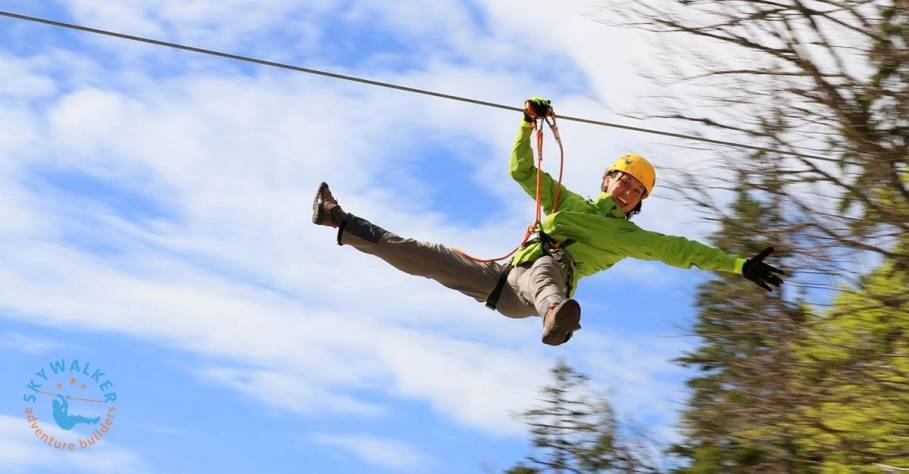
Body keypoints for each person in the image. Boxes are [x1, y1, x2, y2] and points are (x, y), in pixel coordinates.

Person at [312, 97, 783, 346]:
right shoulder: (568, 202)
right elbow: (521, 170)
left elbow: (683, 251)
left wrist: (738, 264)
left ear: (638, 203)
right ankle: (337, 220)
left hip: (541, 289)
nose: (625, 190)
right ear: (607, 180)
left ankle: (556, 317)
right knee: (426, 256)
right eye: (622, 181)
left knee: (547, 266)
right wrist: (526, 124)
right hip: (500, 280)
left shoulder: (628, 237)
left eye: (635, 190)